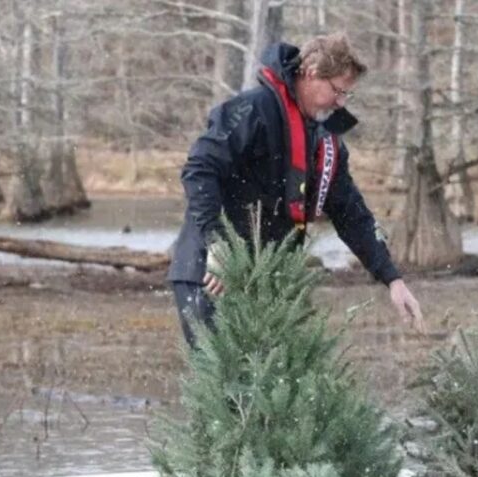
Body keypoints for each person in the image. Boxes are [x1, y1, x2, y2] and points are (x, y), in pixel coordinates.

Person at [168, 34, 424, 345]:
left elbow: (350, 212)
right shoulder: (253, 110)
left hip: (266, 277)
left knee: (270, 385)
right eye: (339, 91)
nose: (342, 103)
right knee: (229, 389)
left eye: (348, 95)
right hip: (210, 271)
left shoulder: (325, 140)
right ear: (312, 72)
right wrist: (217, 245)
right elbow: (199, 168)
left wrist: (392, 279)